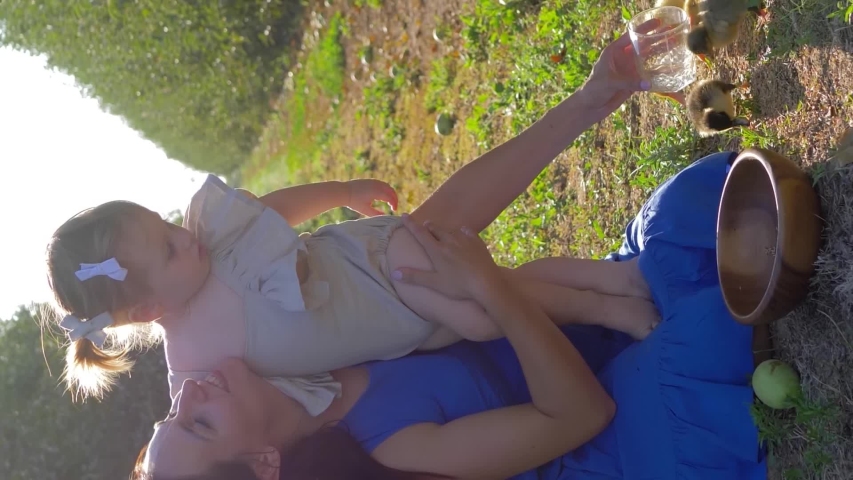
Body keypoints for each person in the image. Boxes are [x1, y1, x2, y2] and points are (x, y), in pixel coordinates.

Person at [42, 20, 665, 417]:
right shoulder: (195, 362)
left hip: (378, 261)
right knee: (484, 292)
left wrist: (343, 190)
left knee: (480, 306)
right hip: (402, 328)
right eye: (169, 250)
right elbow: (205, 424)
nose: (184, 236)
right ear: (149, 311)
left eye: (167, 224)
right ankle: (610, 281)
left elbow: (276, 208)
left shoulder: (211, 232)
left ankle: (611, 296)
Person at [132, 150, 767, 480]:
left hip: (578, 329)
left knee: (689, 211)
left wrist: (597, 94)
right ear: (264, 464)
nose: (187, 394)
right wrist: (492, 291)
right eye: (202, 426)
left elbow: (427, 236)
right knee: (702, 340)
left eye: (172, 413)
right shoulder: (382, 455)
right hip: (599, 410)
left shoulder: (295, 346)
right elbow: (581, 414)